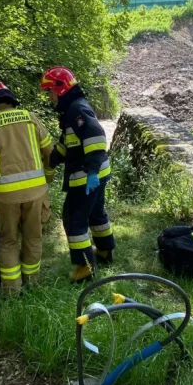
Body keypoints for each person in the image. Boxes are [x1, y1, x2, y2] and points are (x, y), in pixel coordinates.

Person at [0, 82, 55, 293]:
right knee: (33, 238)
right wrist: (48, 179)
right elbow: (51, 154)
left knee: (7, 242)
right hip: (36, 193)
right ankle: (31, 284)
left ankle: (12, 290)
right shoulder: (30, 118)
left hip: (5, 198)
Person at [41, 67, 114, 282]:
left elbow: (96, 138)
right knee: (95, 214)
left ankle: (84, 267)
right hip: (98, 174)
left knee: (74, 219)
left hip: (86, 176)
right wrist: (54, 157)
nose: (49, 97)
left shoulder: (76, 110)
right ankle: (105, 251)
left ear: (60, 89)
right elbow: (71, 142)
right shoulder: (72, 110)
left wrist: (91, 171)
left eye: (49, 92)